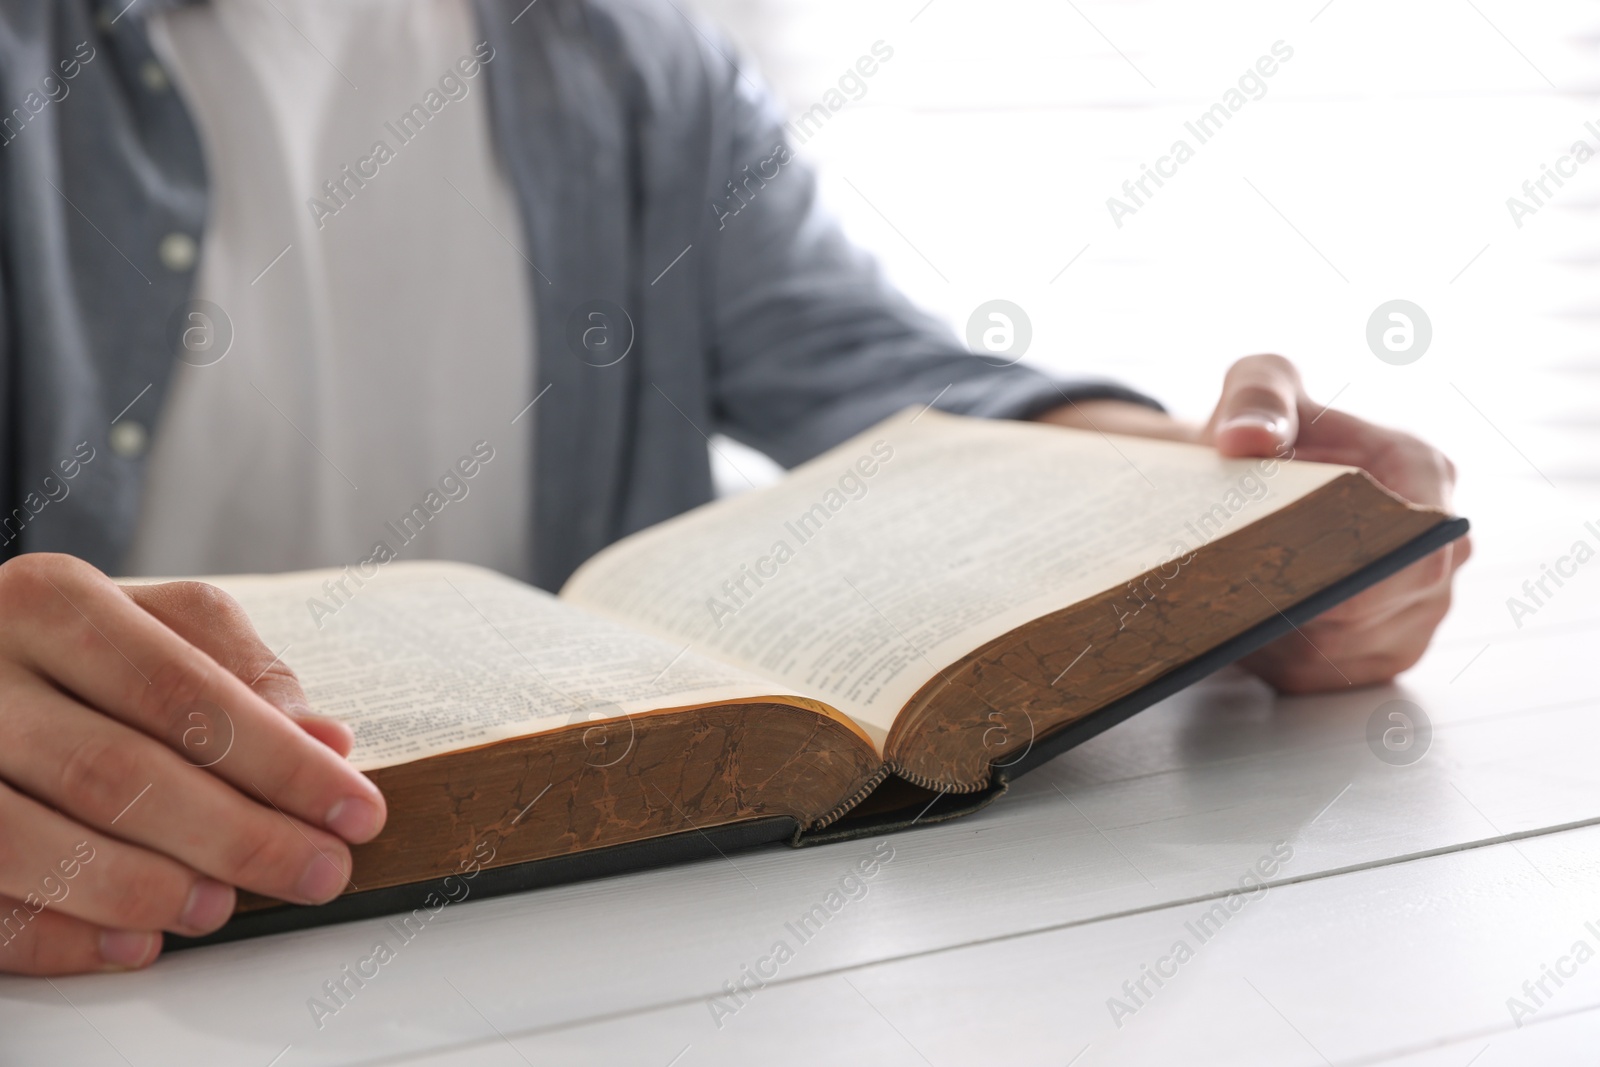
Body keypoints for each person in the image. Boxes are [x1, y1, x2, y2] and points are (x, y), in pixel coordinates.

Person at [0, 0, 1467, 976]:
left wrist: (1230, 521)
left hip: (604, 939)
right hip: (135, 948)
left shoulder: (634, 60)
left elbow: (871, 366)